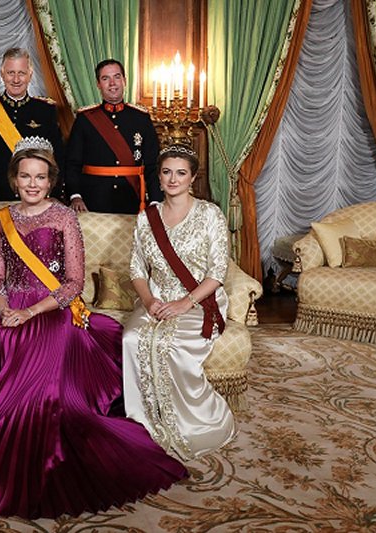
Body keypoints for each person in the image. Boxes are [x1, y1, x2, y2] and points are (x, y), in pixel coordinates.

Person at [0, 137, 187, 519]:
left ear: (51, 181)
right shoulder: (2, 220)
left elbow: (73, 283)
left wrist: (32, 311)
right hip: (9, 306)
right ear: (14, 180)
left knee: (44, 363)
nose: (32, 184)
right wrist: (4, 310)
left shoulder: (64, 217)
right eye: (25, 176)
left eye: (40, 177)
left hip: (52, 306)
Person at [122, 144, 236, 461]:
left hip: (200, 299)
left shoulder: (210, 215)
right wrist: (148, 301)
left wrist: (186, 303)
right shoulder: (148, 219)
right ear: (159, 177)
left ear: (193, 178)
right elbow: (136, 268)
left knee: (171, 345)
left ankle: (194, 422)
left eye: (181, 173)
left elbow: (217, 272)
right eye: (167, 172)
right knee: (133, 339)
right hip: (157, 298)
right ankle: (144, 424)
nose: (173, 179)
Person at [0, 47, 64, 213]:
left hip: (36, 197)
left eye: (22, 73)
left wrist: (54, 194)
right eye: (11, 73)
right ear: (2, 75)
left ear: (30, 75)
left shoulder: (45, 110)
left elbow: (58, 157)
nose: (16, 79)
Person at [65, 58, 162, 214]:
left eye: (117, 77)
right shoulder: (85, 119)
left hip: (131, 198)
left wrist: (156, 199)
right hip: (93, 200)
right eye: (105, 78)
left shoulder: (141, 118)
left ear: (124, 81)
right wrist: (75, 196)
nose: (112, 83)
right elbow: (72, 163)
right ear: (98, 84)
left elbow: (153, 164)